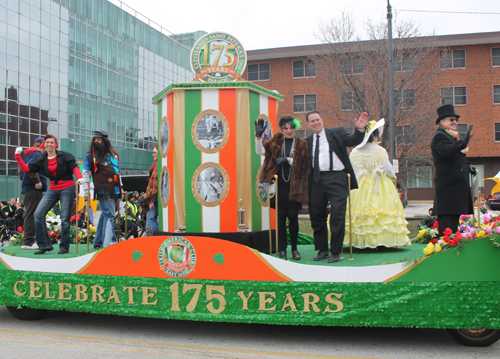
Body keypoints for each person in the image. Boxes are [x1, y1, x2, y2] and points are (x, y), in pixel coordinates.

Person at [306, 110, 368, 263]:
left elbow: (354, 140)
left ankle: (335, 251)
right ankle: (322, 250)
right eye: (312, 121)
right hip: (316, 180)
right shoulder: (306, 141)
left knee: (337, 215)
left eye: (317, 119)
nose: (315, 123)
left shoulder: (337, 133)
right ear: (308, 125)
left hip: (337, 178)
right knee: (316, 216)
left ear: (322, 120)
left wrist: (360, 129)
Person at [343, 118, 411, 248]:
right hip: (378, 185)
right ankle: (382, 241)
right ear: (374, 135)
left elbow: (352, 169)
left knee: (360, 211)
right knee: (380, 211)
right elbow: (388, 169)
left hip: (359, 187)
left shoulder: (355, 151)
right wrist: (392, 175)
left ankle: (359, 240)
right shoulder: (379, 150)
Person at [15, 134, 86, 254]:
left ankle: (64, 246)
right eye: (47, 142)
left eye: (52, 142)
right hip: (52, 189)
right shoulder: (41, 160)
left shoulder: (64, 155)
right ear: (44, 144)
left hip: (67, 187)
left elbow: (74, 167)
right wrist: (17, 156)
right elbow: (26, 170)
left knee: (64, 218)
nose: (49, 144)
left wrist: (79, 178)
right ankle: (44, 245)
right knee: (38, 214)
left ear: (55, 144)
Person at [255, 116, 310, 260]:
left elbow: (305, 164)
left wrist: (288, 160)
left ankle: (294, 249)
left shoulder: (302, 144)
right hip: (279, 186)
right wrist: (258, 137)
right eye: (285, 128)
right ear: (281, 129)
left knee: (293, 218)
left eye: (291, 127)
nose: (289, 130)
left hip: (294, 186)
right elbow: (260, 151)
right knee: (280, 219)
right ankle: (282, 249)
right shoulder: (276, 141)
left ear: (295, 128)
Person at [431, 104, 474, 236]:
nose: (455, 122)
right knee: (447, 228)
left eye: (456, 120)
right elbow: (446, 152)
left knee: (453, 225)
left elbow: (455, 158)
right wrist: (463, 142)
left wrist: (468, 166)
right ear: (442, 122)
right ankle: (444, 250)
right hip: (447, 190)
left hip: (454, 189)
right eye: (451, 119)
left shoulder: (452, 137)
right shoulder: (439, 136)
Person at [82, 130, 122, 249]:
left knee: (106, 214)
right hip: (103, 189)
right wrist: (85, 191)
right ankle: (108, 242)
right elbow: (86, 174)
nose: (96, 142)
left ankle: (98, 241)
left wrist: (122, 188)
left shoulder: (112, 154)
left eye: (99, 139)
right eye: (95, 139)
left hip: (115, 188)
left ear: (104, 140)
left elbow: (117, 172)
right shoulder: (90, 156)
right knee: (109, 214)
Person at [19, 137, 47, 250]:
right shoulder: (36, 155)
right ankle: (29, 241)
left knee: (31, 213)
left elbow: (21, 172)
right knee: (32, 214)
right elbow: (30, 169)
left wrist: (26, 179)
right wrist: (37, 181)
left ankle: (31, 240)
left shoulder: (29, 154)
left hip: (28, 188)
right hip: (33, 188)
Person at [142, 146, 159, 236]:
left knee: (151, 216)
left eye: (154, 152)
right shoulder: (158, 165)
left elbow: (155, 184)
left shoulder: (158, 165)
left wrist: (151, 197)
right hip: (154, 196)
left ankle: (150, 237)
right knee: (152, 216)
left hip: (154, 196)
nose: (153, 154)